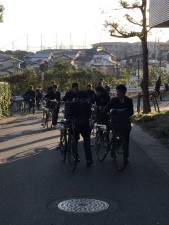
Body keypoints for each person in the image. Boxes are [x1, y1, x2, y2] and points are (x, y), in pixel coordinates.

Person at [102, 84, 134, 163]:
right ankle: (113, 151)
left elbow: (131, 112)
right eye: (117, 92)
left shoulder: (129, 101)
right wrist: (103, 113)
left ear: (123, 93)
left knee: (126, 140)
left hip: (125, 123)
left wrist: (123, 112)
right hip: (115, 123)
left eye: (118, 92)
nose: (117, 93)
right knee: (116, 138)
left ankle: (126, 157)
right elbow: (107, 107)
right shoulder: (114, 100)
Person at [68, 90, 93, 166]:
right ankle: (76, 156)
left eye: (85, 99)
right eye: (82, 99)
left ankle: (89, 159)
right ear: (79, 98)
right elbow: (70, 114)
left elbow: (89, 115)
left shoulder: (88, 105)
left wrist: (84, 119)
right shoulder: (73, 104)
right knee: (74, 140)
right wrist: (74, 119)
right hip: (75, 124)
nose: (83, 101)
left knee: (87, 142)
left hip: (85, 125)